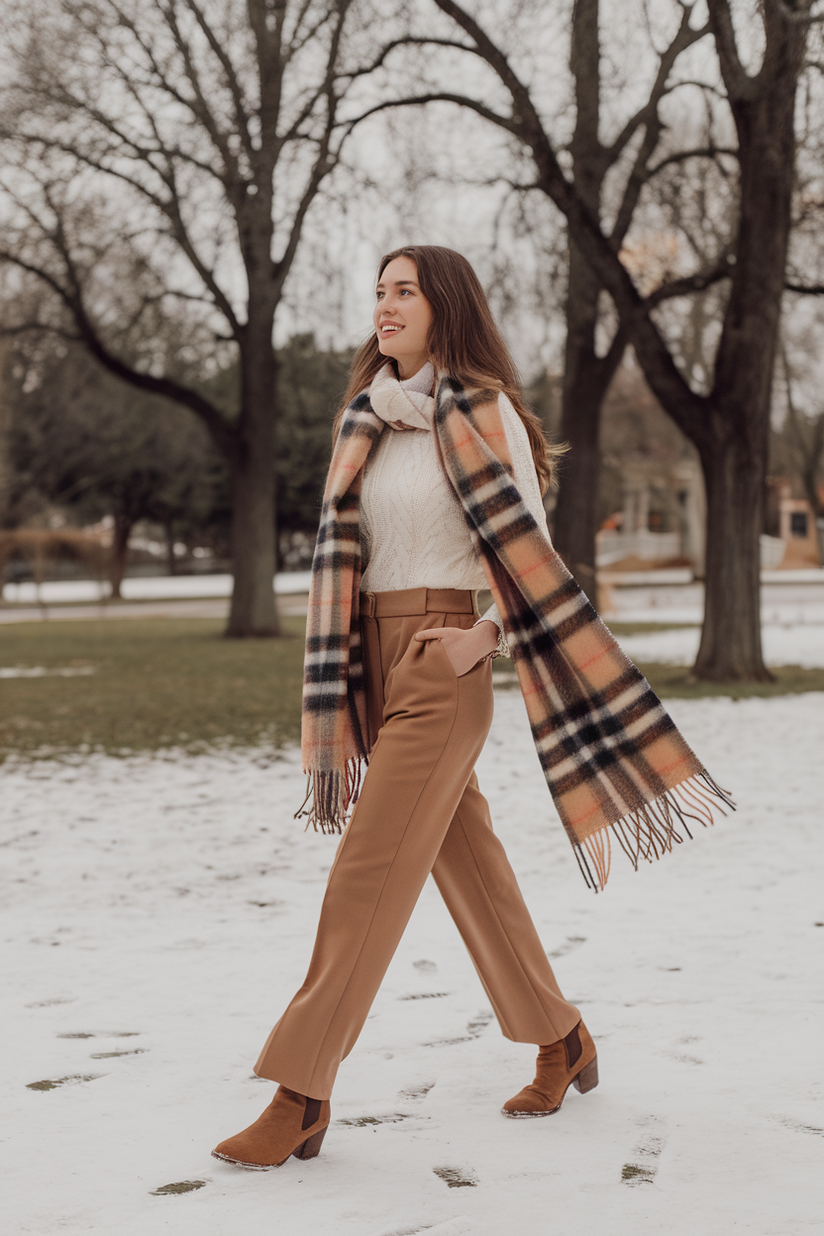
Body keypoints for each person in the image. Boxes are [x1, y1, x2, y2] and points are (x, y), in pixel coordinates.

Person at [212, 245, 730, 1172]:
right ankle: (561, 1037)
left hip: (444, 664)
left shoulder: (483, 412)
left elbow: (531, 560)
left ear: (444, 306)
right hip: (373, 661)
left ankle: (300, 1093)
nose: (386, 306)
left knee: (366, 876)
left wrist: (476, 640)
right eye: (378, 291)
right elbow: (351, 556)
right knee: (470, 869)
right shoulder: (365, 422)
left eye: (404, 291)